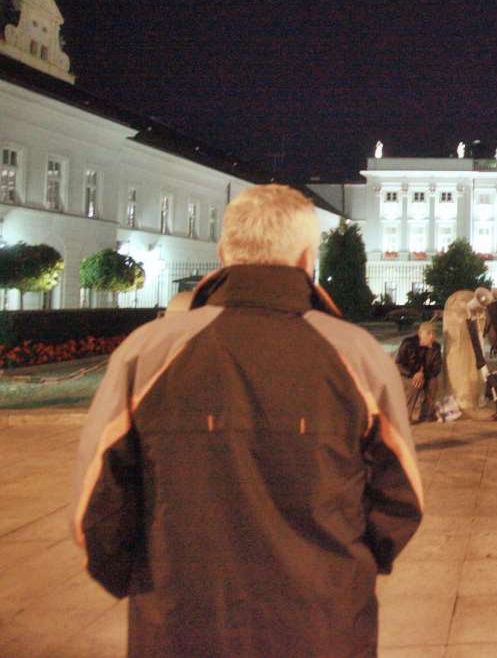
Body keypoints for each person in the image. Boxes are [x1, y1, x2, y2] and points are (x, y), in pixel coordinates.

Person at [70, 185, 423, 657]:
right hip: (322, 625)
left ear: (223, 255)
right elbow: (402, 499)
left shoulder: (147, 352)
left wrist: (154, 583)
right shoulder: (357, 356)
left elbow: (96, 508)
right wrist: (345, 572)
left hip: (181, 625)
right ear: (305, 260)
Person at [396, 320, 444, 423]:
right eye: (429, 333)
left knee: (433, 382)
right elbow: (399, 364)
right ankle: (405, 416)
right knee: (415, 384)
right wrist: (414, 375)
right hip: (405, 376)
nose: (432, 336)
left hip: (423, 376)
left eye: (433, 333)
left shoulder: (435, 347)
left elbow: (436, 368)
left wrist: (422, 374)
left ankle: (426, 414)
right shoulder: (408, 343)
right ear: (420, 334)